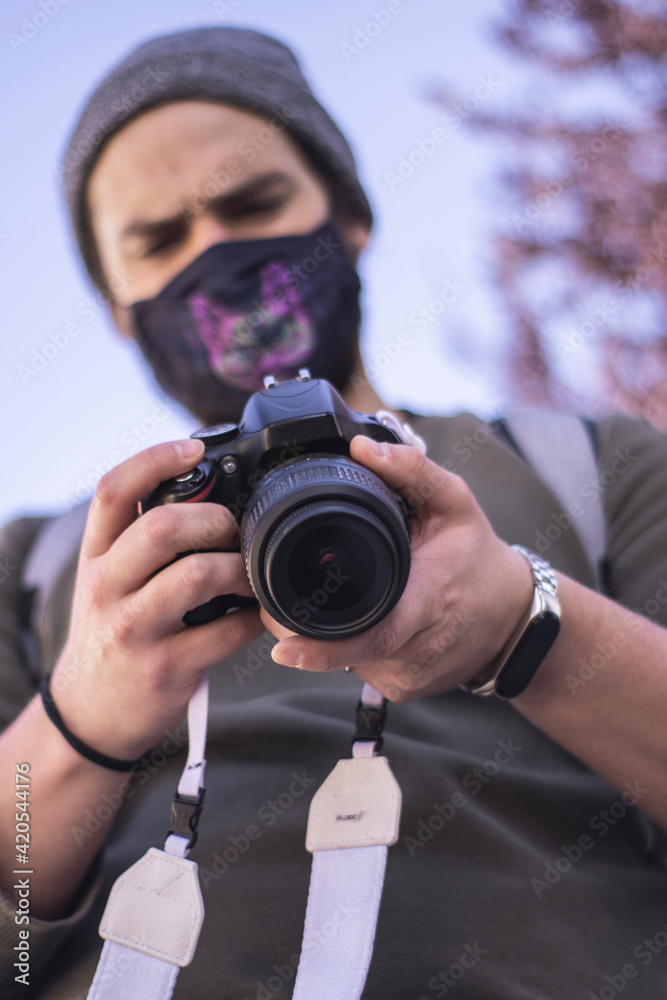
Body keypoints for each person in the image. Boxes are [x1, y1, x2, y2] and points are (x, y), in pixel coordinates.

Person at [1, 25, 667, 1000]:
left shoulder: (593, 469)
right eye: (158, 241)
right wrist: (80, 723)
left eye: (253, 203)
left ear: (348, 215)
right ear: (117, 308)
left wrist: (523, 629)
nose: (216, 254)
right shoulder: (43, 570)